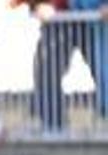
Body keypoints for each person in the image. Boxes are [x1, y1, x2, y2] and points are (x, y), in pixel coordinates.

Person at [12, 0, 108, 130]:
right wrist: (38, 5)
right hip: (60, 18)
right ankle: (53, 126)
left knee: (103, 67)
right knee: (47, 69)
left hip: (96, 18)